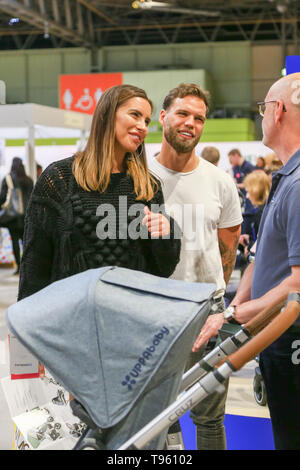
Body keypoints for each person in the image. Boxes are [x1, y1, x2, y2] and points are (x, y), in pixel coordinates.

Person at [194, 73, 300, 450]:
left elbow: (298, 282)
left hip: (290, 340)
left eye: (263, 108)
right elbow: (263, 256)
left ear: (279, 110)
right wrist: (238, 303)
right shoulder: (284, 177)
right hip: (276, 336)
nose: (262, 116)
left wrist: (241, 313)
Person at [18, 84, 181, 303]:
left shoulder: (147, 186)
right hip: (70, 319)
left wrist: (166, 232)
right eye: (135, 115)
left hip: (132, 319)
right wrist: (26, 322)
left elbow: (163, 269)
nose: (142, 126)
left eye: (146, 120)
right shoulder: (60, 178)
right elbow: (35, 261)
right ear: (107, 114)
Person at [148, 83, 243, 450]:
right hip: (153, 313)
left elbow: (228, 246)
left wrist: (212, 295)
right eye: (183, 113)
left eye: (199, 118)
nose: (190, 123)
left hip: (207, 313)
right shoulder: (136, 176)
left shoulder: (219, 181)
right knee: (158, 417)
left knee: (209, 418)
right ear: (163, 116)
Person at [0, 157, 33, 274]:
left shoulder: (8, 179)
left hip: (13, 217)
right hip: (27, 216)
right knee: (26, 241)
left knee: (14, 242)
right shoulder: (29, 180)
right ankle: (28, 267)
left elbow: (3, 197)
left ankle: (19, 267)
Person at [239, 170, 271, 256]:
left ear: (256, 191)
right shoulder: (266, 209)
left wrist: (249, 245)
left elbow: (264, 245)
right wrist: (249, 239)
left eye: (248, 192)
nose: (247, 196)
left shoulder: (262, 214)